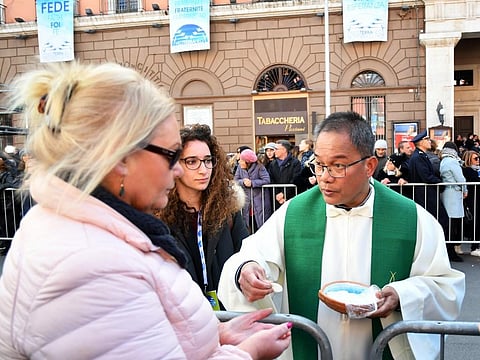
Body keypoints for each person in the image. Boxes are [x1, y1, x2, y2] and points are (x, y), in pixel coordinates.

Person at [0, 62, 292, 359]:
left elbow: (147, 334)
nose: (178, 170)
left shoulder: (87, 231)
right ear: (121, 156)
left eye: (203, 160)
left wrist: (216, 337)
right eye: (172, 155)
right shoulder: (93, 265)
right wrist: (246, 354)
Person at [218, 111, 465, 360]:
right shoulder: (293, 214)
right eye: (319, 164)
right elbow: (250, 256)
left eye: (337, 166)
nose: (324, 177)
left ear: (369, 166)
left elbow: (445, 287)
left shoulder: (411, 219)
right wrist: (247, 270)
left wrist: (402, 295)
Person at [156, 123, 250, 308]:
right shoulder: (158, 213)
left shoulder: (228, 208)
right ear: (174, 164)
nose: (203, 170)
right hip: (183, 316)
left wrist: (249, 268)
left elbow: (245, 252)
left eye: (207, 160)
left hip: (229, 313)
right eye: (192, 161)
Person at [408, 130, 460, 261]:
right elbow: (426, 176)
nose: (429, 141)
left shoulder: (421, 155)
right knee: (439, 221)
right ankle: (440, 252)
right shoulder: (418, 157)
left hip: (427, 194)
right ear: (420, 142)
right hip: (426, 195)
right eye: (426, 139)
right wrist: (440, 183)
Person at [439, 142, 468, 257]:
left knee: (449, 222)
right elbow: (460, 178)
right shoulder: (452, 161)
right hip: (454, 193)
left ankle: (449, 248)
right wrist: (465, 189)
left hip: (447, 192)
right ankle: (451, 250)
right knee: (453, 223)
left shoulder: (443, 161)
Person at [234, 149, 272, 233]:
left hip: (259, 201)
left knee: (260, 224)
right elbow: (235, 180)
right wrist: (243, 182)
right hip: (247, 201)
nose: (239, 161)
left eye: (241, 160)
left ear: (248, 162)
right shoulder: (240, 168)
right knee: (247, 224)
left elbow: (266, 180)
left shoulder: (260, 167)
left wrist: (252, 183)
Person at [269, 139, 301, 209]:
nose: (274, 151)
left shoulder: (295, 163)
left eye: (276, 149)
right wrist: (277, 194)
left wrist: (284, 194)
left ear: (284, 150)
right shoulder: (273, 164)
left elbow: (295, 179)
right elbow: (271, 180)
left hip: (291, 197)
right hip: (277, 199)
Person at [461, 150, 480, 255]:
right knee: (476, 221)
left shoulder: (476, 170)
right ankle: (474, 246)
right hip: (473, 199)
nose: (478, 161)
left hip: (476, 198)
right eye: (475, 158)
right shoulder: (467, 170)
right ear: (469, 159)